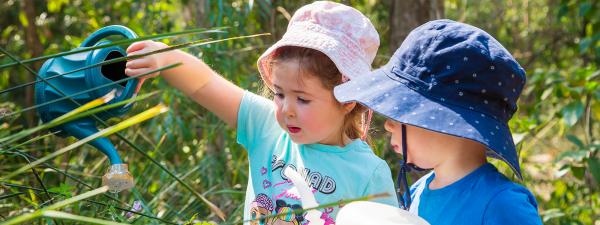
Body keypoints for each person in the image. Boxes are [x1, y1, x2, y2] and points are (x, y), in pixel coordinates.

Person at [124, 1, 398, 223]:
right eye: (279, 94)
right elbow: (205, 84)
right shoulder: (267, 126)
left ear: (347, 98)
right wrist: (166, 58)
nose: (287, 110)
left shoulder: (369, 174)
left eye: (302, 99)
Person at [334, 19, 543, 225]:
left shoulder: (503, 205)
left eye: (402, 110)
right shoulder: (416, 193)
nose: (388, 125)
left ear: (447, 121)